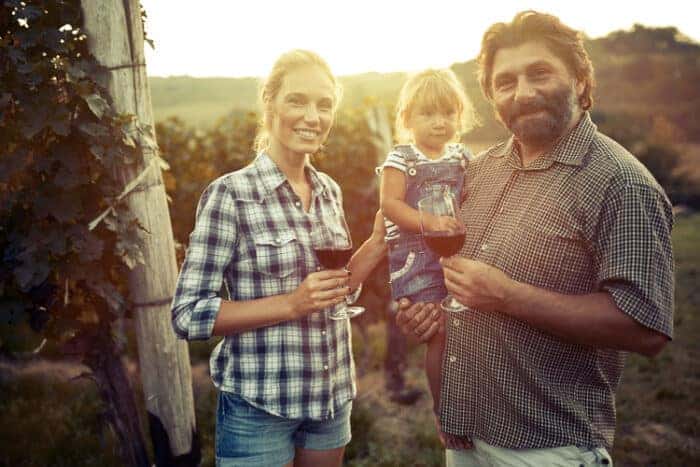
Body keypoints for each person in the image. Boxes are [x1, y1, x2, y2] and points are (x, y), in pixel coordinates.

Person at [395, 10, 674, 466]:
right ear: (491, 96)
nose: (522, 92)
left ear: (581, 80)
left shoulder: (622, 184)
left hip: (548, 447)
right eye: (505, 82)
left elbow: (645, 329)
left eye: (539, 73)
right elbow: (459, 291)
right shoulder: (479, 171)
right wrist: (429, 315)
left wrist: (506, 295)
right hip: (463, 437)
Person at [170, 49, 387, 467]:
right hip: (260, 406)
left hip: (330, 398)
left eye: (324, 105)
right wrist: (292, 303)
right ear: (270, 103)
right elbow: (187, 314)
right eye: (298, 100)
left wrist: (377, 243)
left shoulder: (329, 191)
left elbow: (336, 289)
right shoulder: (229, 195)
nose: (312, 115)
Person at [377, 69, 475, 413]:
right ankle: (444, 409)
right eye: (428, 113)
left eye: (448, 113)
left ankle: (473, 400)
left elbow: (474, 199)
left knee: (468, 332)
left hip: (457, 253)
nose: (439, 122)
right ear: (407, 118)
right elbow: (389, 205)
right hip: (416, 260)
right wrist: (429, 222)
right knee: (440, 333)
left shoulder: (462, 157)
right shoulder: (402, 159)